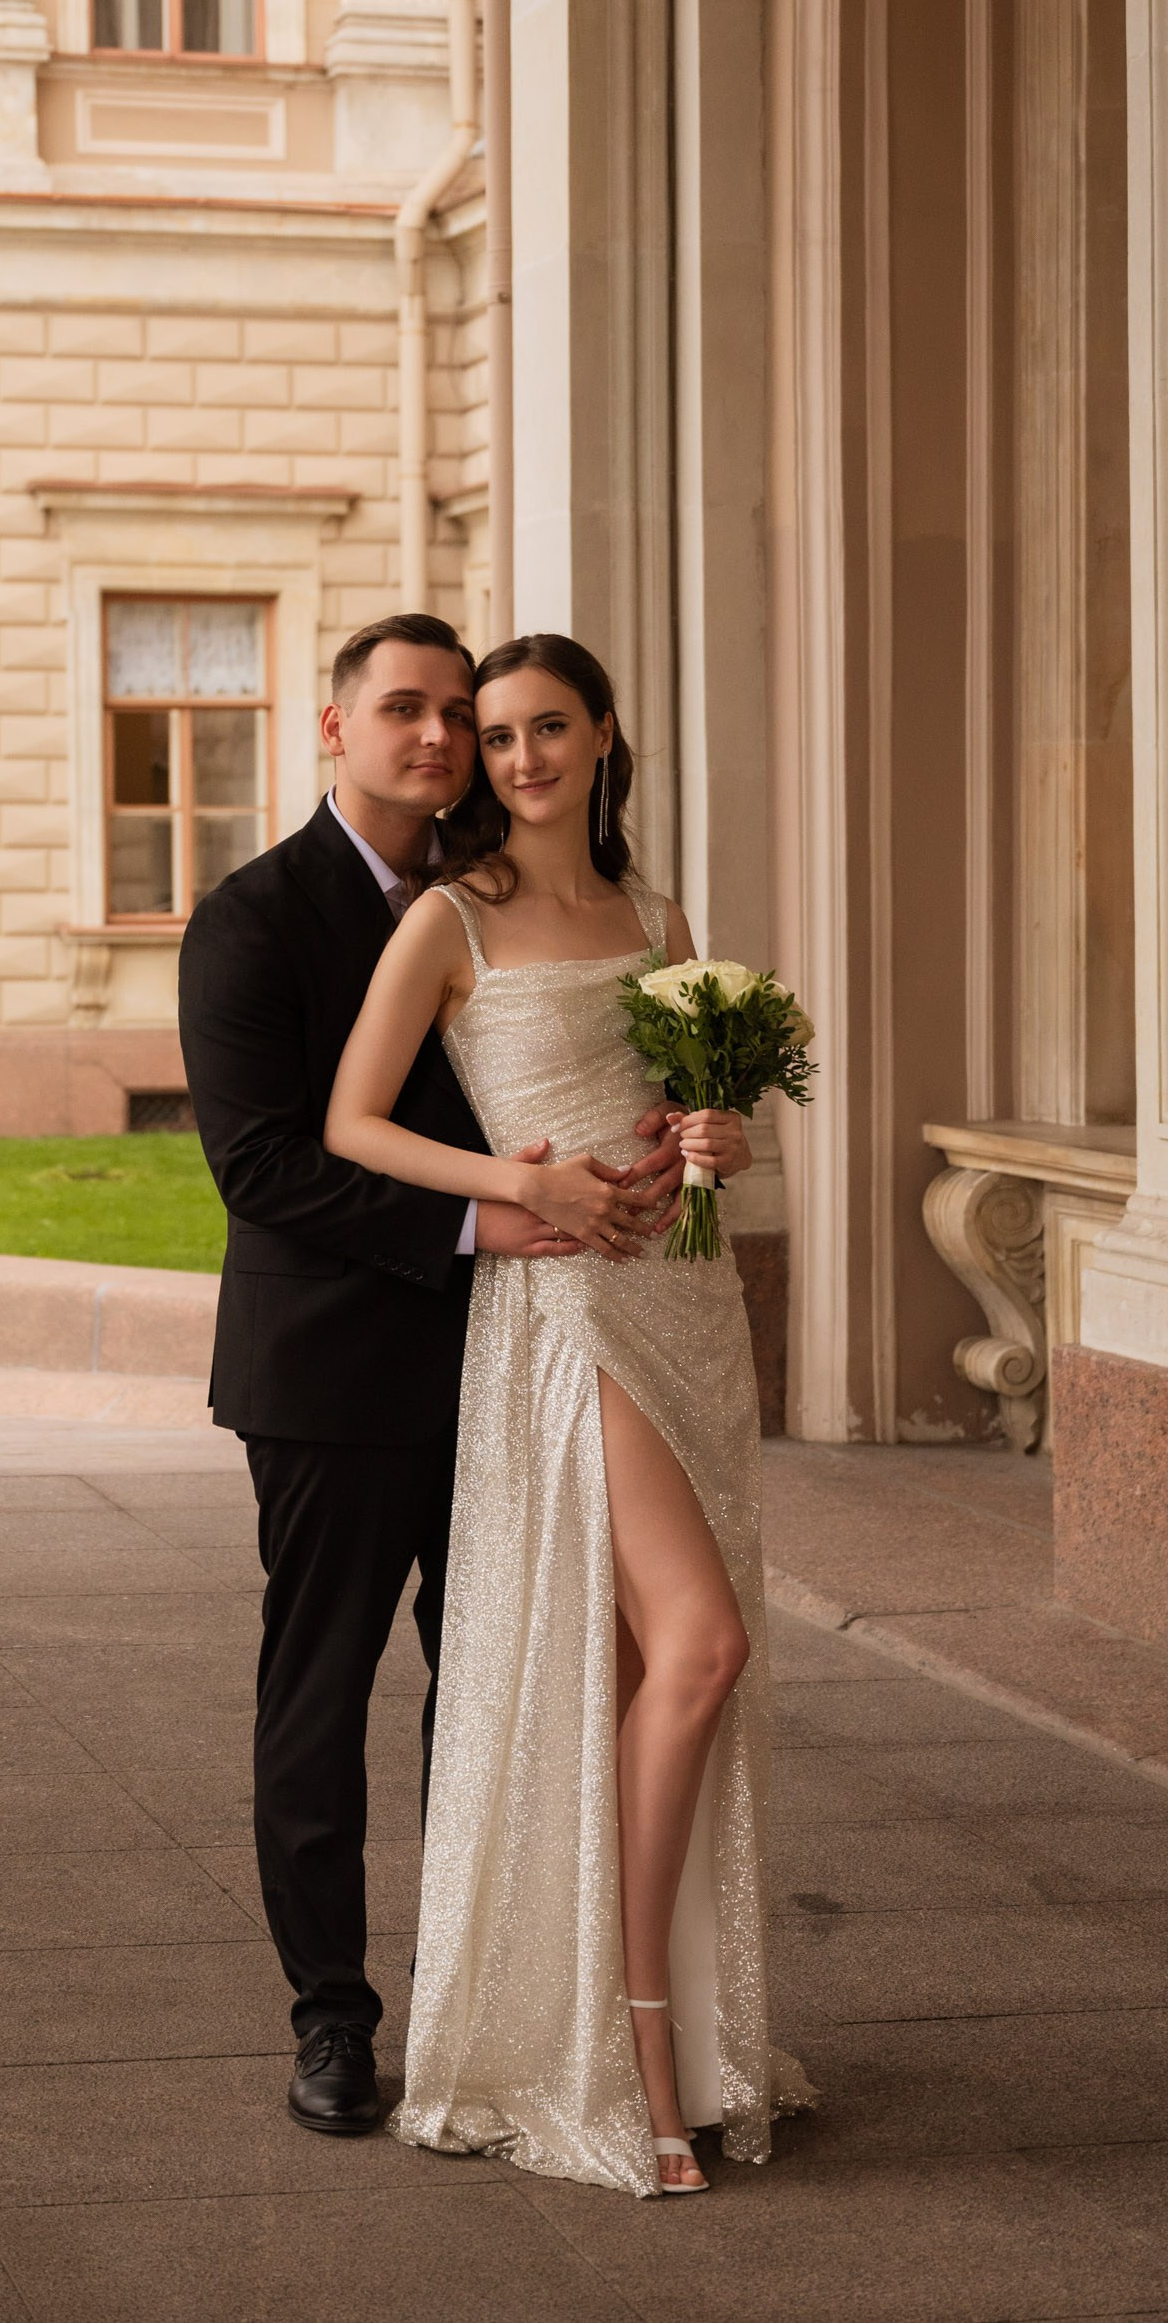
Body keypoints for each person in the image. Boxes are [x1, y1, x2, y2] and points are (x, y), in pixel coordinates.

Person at [178, 613, 683, 2140]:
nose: (442, 739)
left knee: (503, 1697)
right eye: (403, 709)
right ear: (332, 728)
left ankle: (493, 2002)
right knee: (320, 1705)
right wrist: (486, 1213)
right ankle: (332, 2016)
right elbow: (261, 1165)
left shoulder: (508, 887)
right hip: (331, 1375)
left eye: (460, 714)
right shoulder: (255, 918)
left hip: (517, 1367)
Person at [324, 631, 811, 2197]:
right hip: (566, 1307)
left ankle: (610, 2031)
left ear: (605, 739)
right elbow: (350, 1121)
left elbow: (677, 1119)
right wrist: (512, 1183)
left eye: (547, 728)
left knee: (633, 1680)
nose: (517, 756)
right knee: (707, 1644)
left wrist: (714, 1139)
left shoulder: (661, 918)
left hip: (684, 1293)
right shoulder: (449, 918)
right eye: (496, 732)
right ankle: (649, 2049)